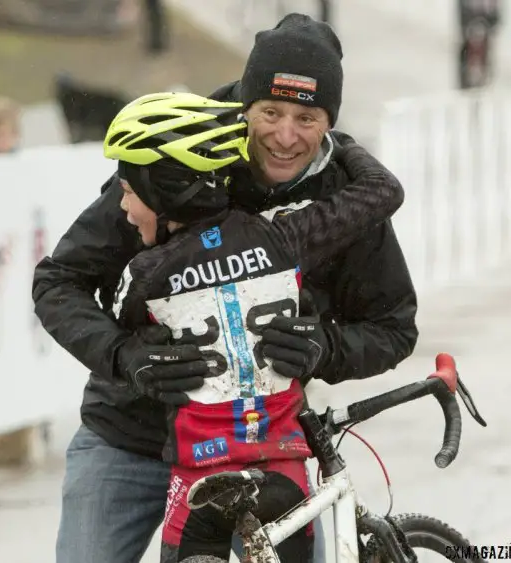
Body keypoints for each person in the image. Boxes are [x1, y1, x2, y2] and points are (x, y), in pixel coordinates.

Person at [33, 13, 418, 563]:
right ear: (244, 105)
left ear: (329, 121)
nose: (286, 136)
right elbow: (59, 280)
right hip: (128, 438)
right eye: (271, 112)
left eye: (307, 117)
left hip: (255, 453)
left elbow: (392, 327)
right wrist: (124, 355)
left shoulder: (344, 196)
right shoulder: (177, 155)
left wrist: (325, 348)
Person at [102, 91, 403, 562]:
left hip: (200, 472)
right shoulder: (281, 235)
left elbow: (118, 324)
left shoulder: (143, 275)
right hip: (281, 464)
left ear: (163, 197)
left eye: (128, 192)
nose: (122, 207)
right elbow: (383, 192)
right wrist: (336, 138)